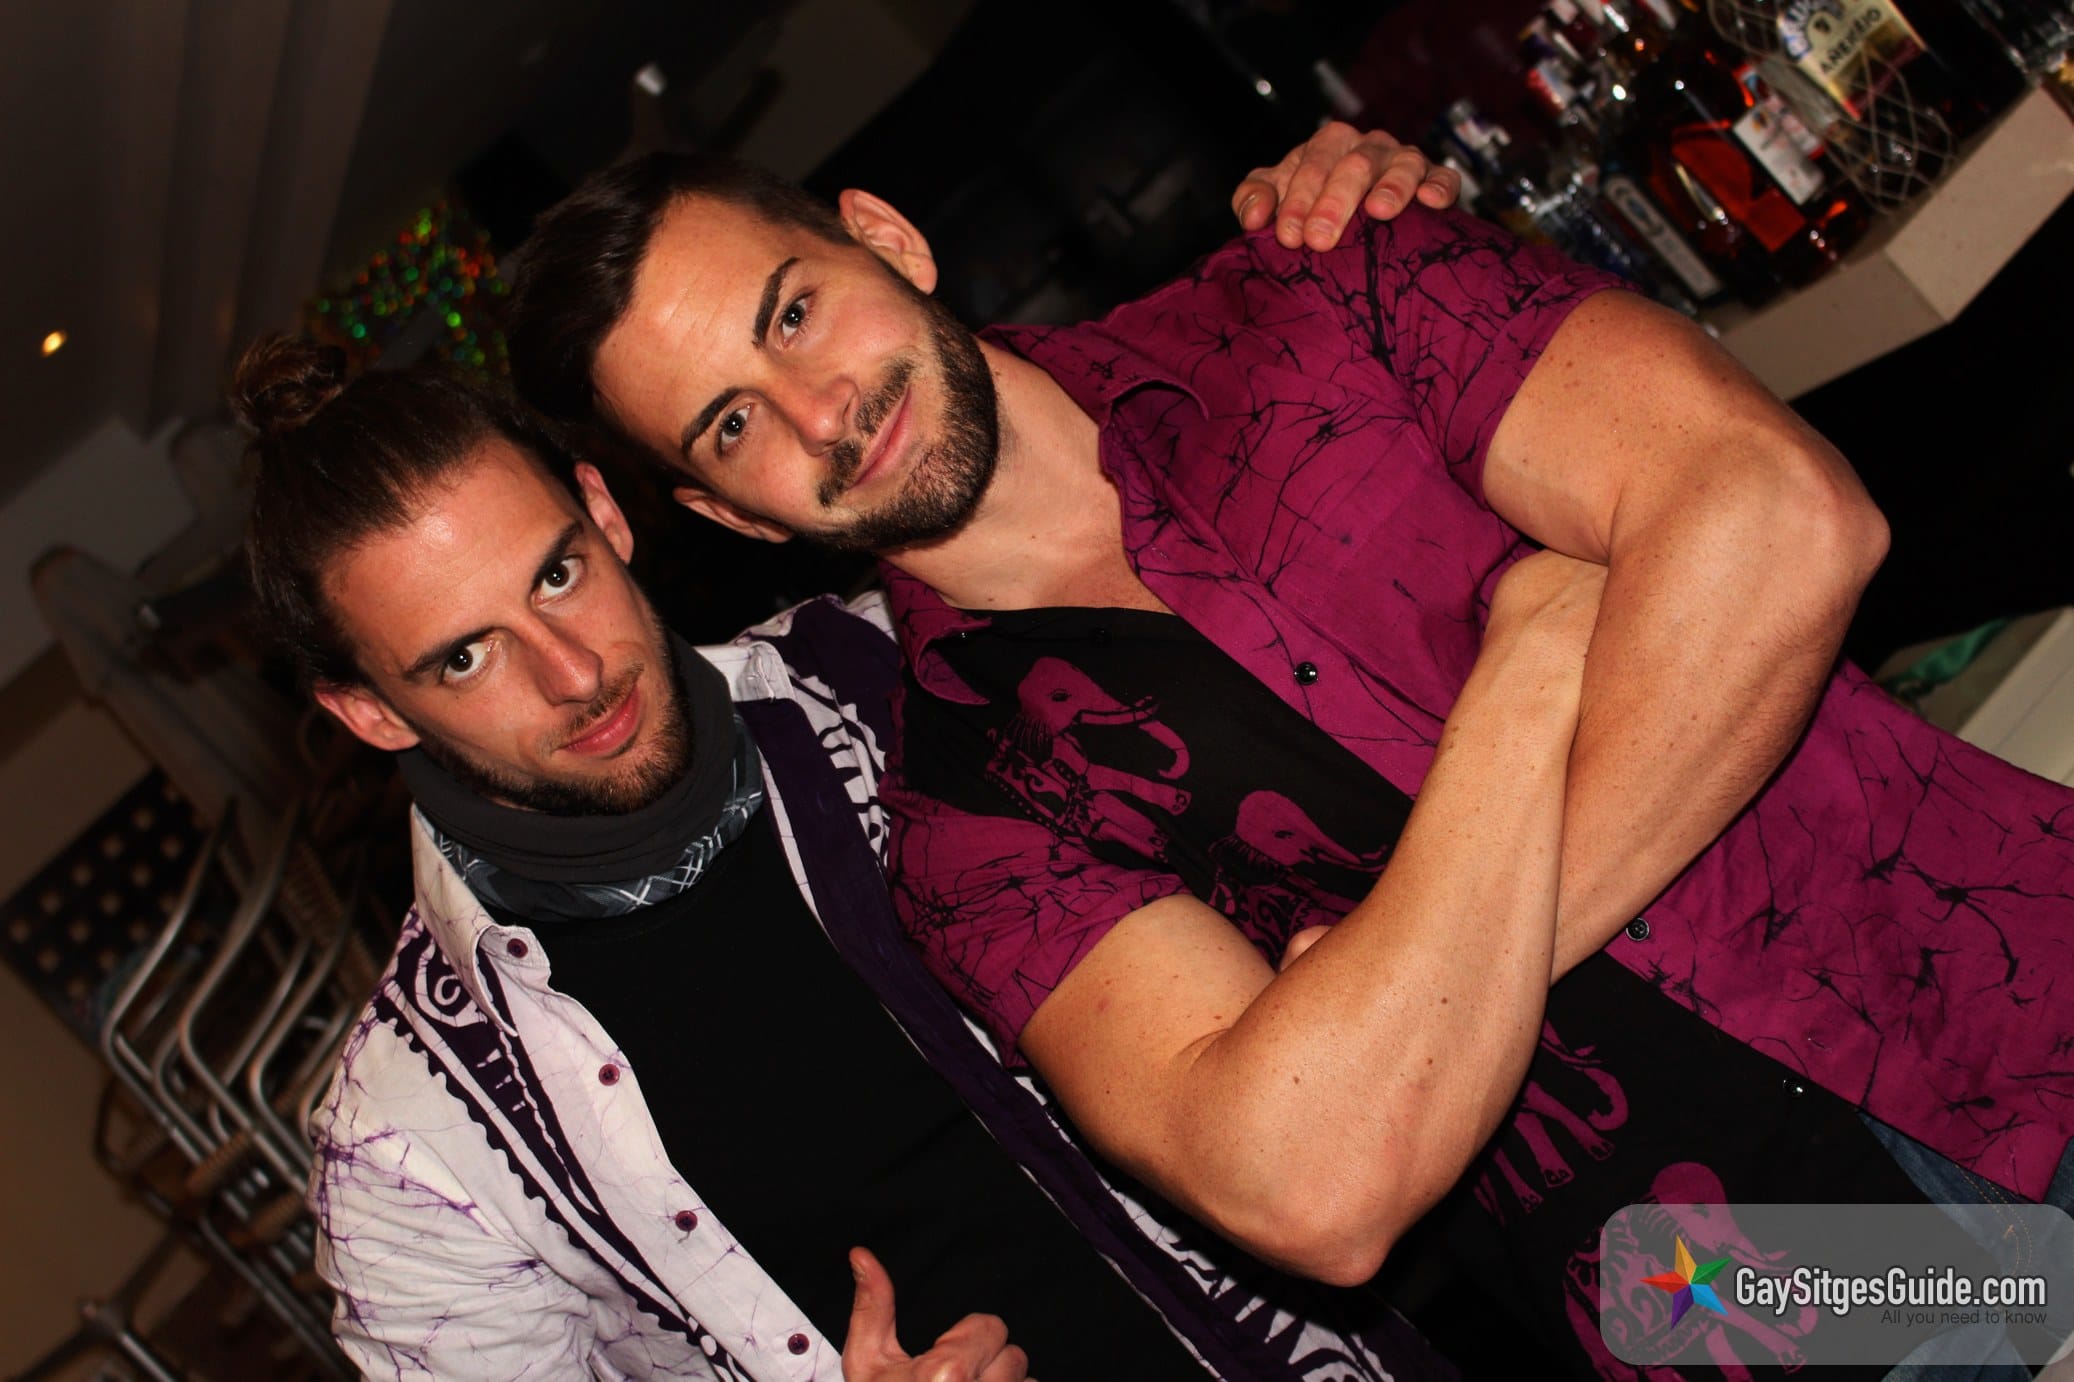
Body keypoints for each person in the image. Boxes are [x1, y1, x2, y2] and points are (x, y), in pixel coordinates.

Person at [504, 131, 2074, 1376]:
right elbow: (1313, 1188)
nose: (820, 413)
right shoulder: (968, 832)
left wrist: (1398, 989)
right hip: (1769, 1304)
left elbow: (1786, 522)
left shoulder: (1326, 280)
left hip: (2010, 981)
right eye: (730, 426)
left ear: (884, 239)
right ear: (724, 513)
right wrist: (1529, 671)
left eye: (794, 311)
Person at [257, 137, 1470, 1380]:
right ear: (370, 713)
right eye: (465, 657)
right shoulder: (416, 1154)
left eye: (557, 574)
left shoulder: (911, 666)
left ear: (606, 513)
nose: (572, 672)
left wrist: (1349, 213)